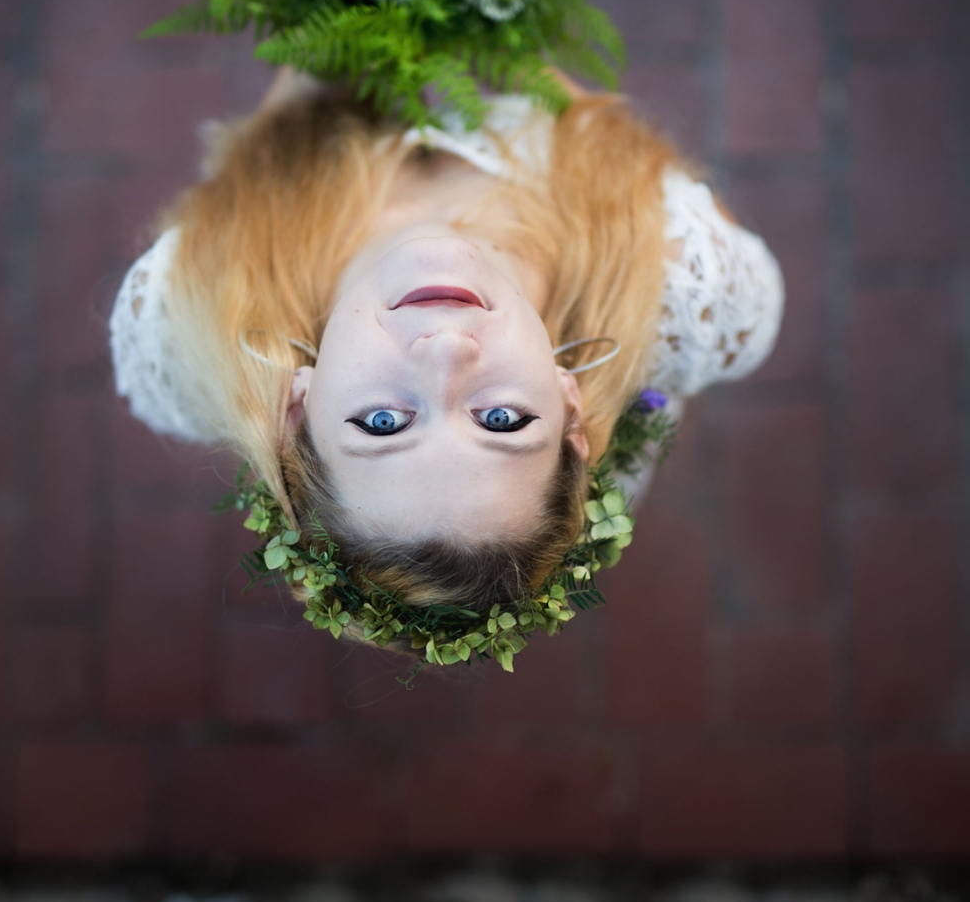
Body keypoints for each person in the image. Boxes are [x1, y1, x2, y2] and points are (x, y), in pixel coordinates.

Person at [110, 68, 783, 636]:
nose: (444, 352)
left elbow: (251, 159)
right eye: (501, 421)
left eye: (381, 423)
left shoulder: (190, 315)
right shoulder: (685, 277)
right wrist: (508, 30)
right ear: (570, 403)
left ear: (297, 410)